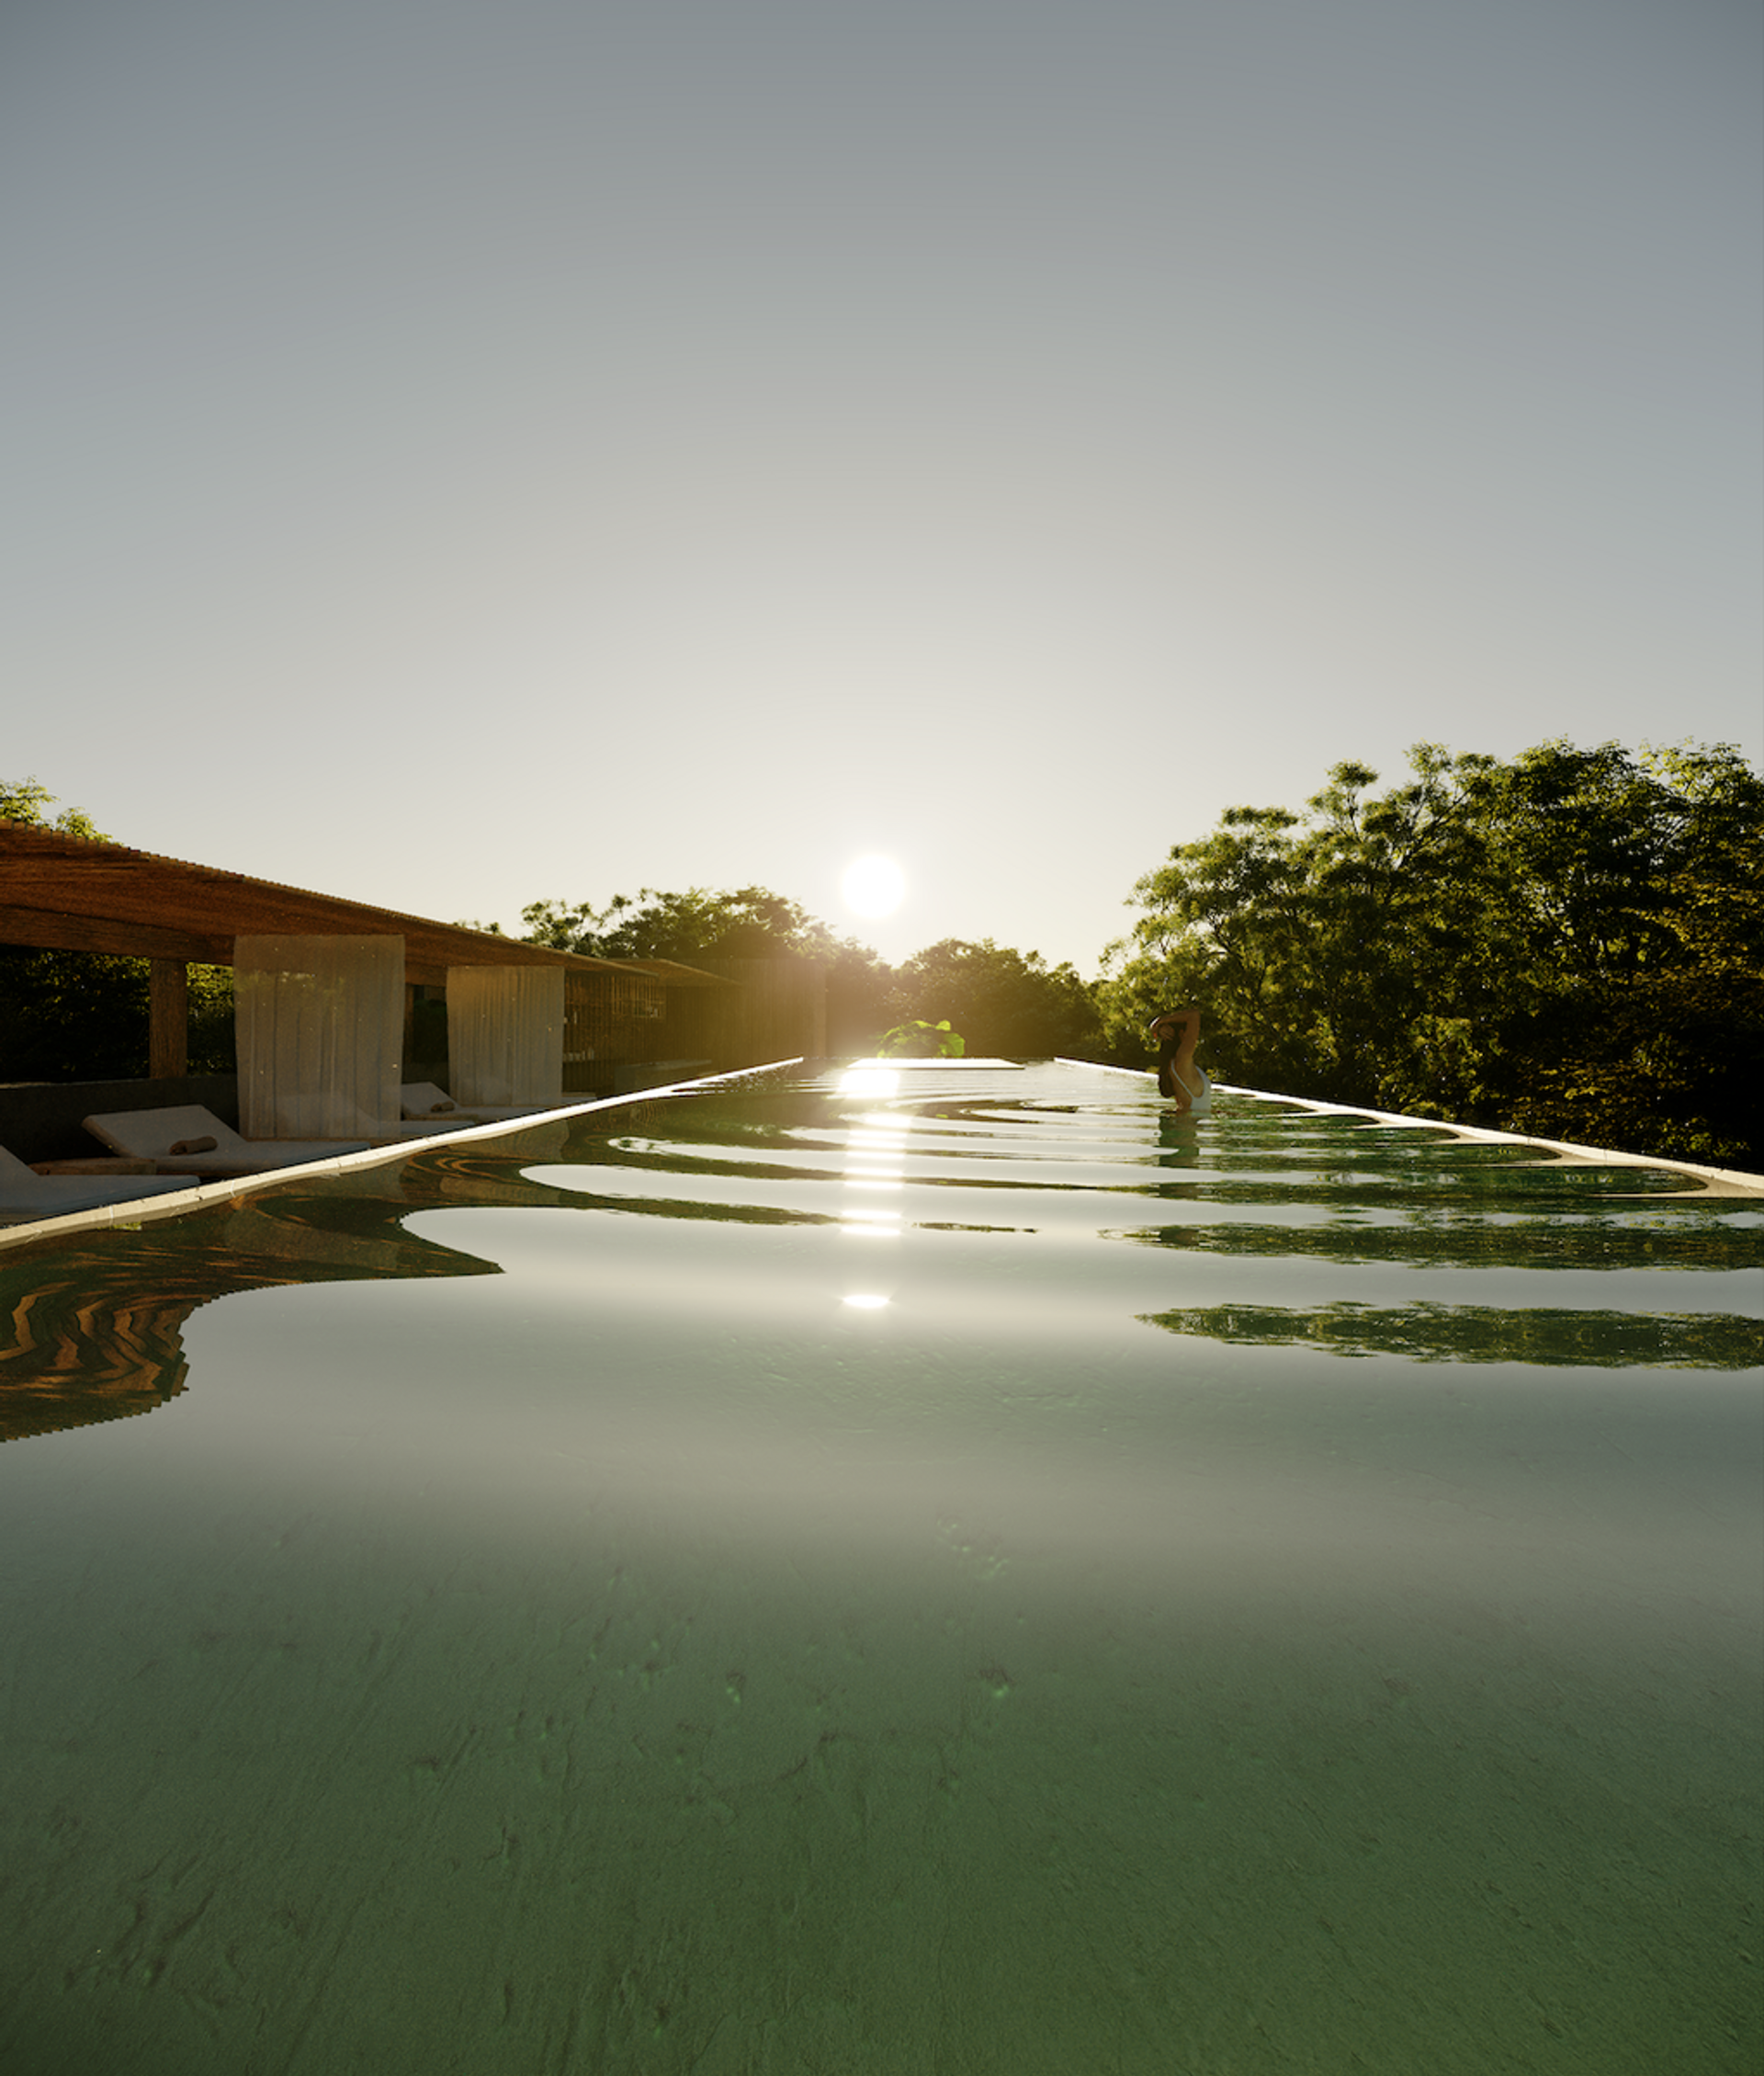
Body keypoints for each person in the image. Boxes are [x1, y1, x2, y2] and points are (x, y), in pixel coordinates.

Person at [1147, 1006, 1211, 1115]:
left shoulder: (1178, 1065)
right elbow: (1194, 1015)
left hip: (1185, 1125)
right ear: (1182, 1034)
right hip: (1187, 1127)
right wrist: (1159, 1022)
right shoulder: (1182, 1060)